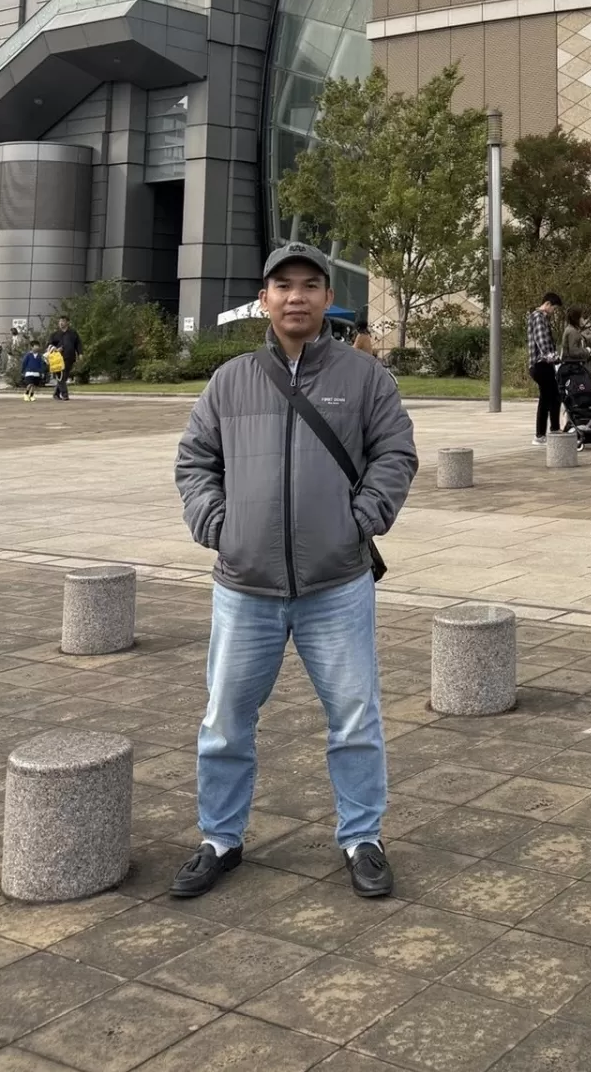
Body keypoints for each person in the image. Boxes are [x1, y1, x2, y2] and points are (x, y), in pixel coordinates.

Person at [172, 242, 418, 902]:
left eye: (310, 285)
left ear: (327, 298)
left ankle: (361, 837)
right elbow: (195, 462)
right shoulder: (230, 381)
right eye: (284, 286)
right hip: (244, 586)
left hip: (336, 582)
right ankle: (220, 838)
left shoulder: (365, 378)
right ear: (265, 299)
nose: (297, 297)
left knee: (355, 718)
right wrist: (218, 525)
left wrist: (360, 519)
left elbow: (395, 452)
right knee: (225, 721)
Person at [527, 291, 562, 445]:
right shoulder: (538, 317)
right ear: (547, 304)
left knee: (555, 395)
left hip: (545, 364)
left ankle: (554, 429)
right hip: (541, 364)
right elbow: (541, 341)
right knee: (547, 398)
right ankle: (540, 435)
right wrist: (553, 357)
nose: (554, 311)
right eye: (554, 308)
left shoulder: (542, 318)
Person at [47, 316, 82, 400]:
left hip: (69, 357)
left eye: (63, 321)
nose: (61, 323)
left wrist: (80, 353)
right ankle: (65, 394)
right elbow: (49, 345)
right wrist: (55, 349)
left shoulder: (73, 333)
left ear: (67, 322)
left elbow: (78, 344)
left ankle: (56, 394)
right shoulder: (55, 334)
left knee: (64, 377)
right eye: (60, 321)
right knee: (61, 376)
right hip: (58, 359)